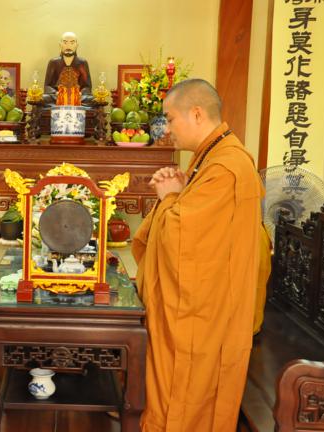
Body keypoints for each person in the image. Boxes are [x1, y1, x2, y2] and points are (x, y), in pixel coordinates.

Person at [132, 79, 264, 431]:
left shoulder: (225, 167)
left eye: (169, 119)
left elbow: (184, 238)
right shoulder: (213, 156)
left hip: (204, 312)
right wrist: (178, 190)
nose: (166, 129)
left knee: (189, 392)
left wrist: (169, 197)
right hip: (205, 302)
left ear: (196, 113)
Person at [43, 31, 93, 105]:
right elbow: (47, 86)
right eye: (65, 42)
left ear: (77, 45)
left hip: (78, 96)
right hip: (58, 96)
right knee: (43, 98)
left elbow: (87, 87)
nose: (68, 46)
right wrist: (56, 93)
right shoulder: (53, 62)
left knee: (92, 99)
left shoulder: (82, 62)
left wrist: (80, 93)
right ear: (60, 45)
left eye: (72, 43)